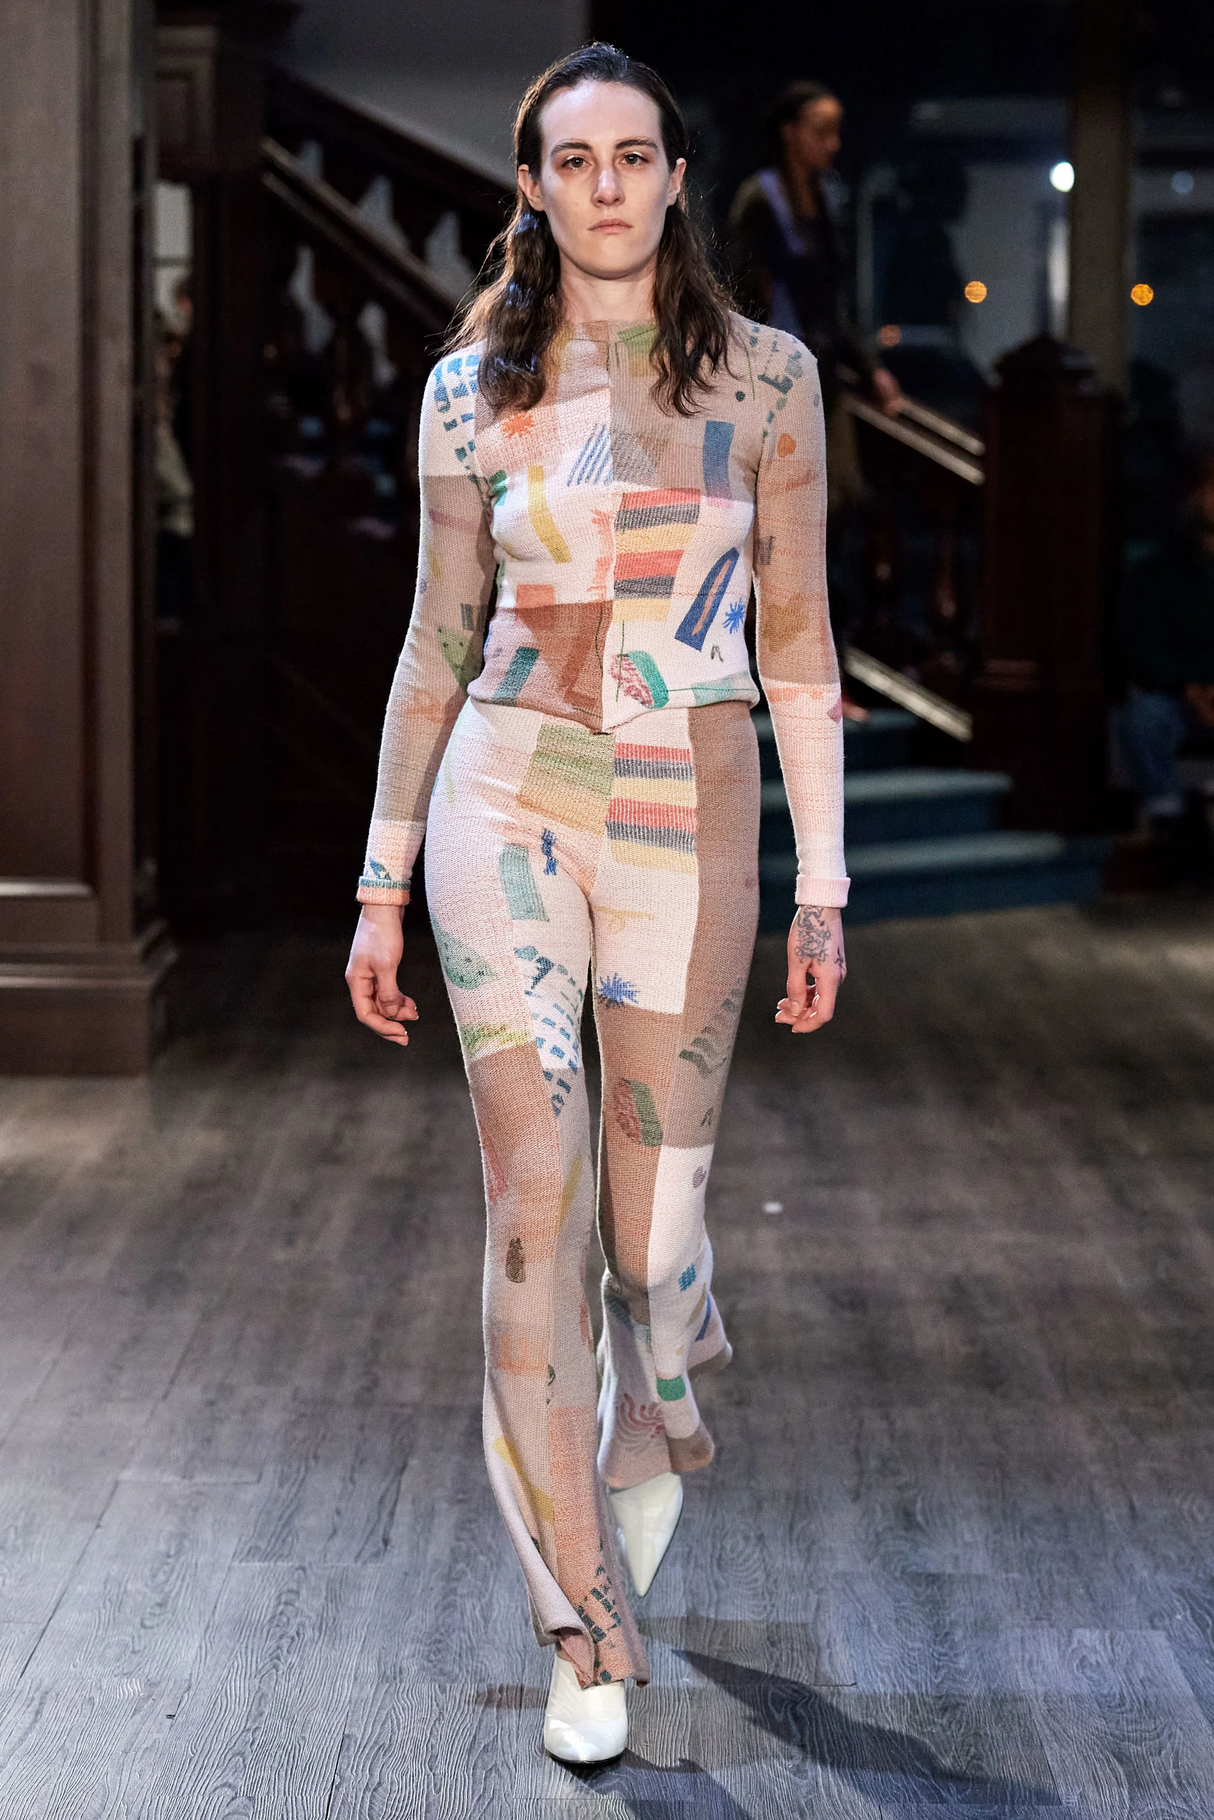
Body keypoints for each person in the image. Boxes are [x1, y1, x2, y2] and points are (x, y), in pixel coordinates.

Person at [345, 42, 848, 1765]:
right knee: (533, 1211)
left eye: (634, 155)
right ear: (531, 186)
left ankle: (661, 1405)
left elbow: (797, 643)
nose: (607, 185)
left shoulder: (767, 383)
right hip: (507, 799)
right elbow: (432, 642)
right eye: (574, 160)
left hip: (685, 817)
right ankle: (581, 1624)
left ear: (675, 177)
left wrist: (825, 886)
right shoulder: (463, 394)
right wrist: (380, 883)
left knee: (649, 1247)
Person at [730, 81, 902, 714]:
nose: (832, 143)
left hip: (820, 380)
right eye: (821, 130)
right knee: (779, 528)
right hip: (773, 384)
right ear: (790, 132)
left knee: (835, 516)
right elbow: (745, 295)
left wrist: (870, 369)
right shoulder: (761, 199)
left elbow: (834, 302)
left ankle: (820, 674)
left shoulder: (824, 199)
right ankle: (774, 674)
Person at [1118, 449, 1214, 828]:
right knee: (1143, 718)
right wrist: (1190, 688)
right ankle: (1166, 814)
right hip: (1181, 697)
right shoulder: (1159, 573)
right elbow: (1145, 647)